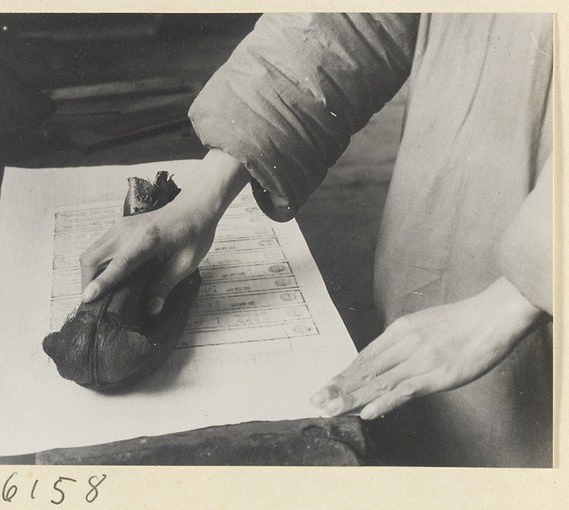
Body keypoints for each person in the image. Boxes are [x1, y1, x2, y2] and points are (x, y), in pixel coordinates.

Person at [79, 13, 553, 467]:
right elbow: (348, 21)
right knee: (434, 425)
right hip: (459, 200)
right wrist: (200, 199)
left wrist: (514, 300)